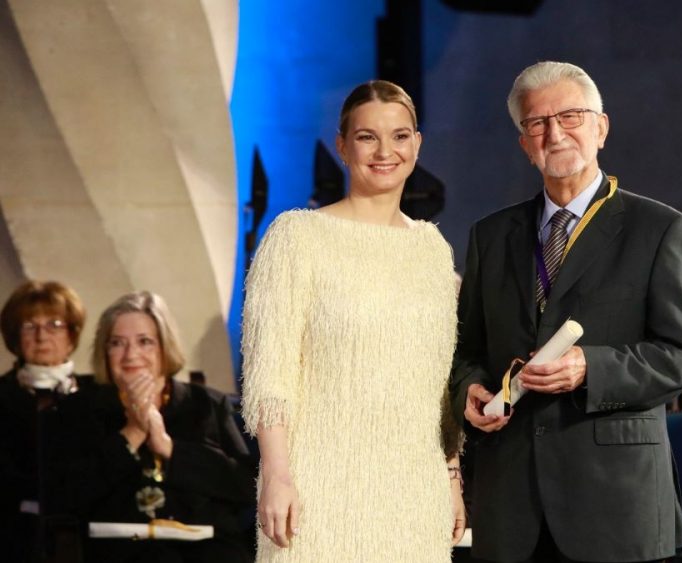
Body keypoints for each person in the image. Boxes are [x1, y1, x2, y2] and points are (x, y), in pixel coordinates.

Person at [450, 61, 682, 563]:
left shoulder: (659, 229)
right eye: (537, 123)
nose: (555, 133)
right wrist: (471, 390)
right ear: (524, 143)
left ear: (601, 128)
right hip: (511, 500)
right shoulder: (491, 235)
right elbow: (467, 349)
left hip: (615, 501)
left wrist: (593, 367)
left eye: (570, 116)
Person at [241, 80, 465, 562]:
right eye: (367, 137)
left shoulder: (432, 250)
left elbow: (438, 382)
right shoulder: (296, 237)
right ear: (343, 146)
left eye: (400, 136)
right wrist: (276, 474)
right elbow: (269, 375)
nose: (385, 151)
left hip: (414, 496)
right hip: (316, 492)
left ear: (417, 144)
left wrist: (451, 477)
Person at [73, 291, 255, 562]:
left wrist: (169, 448)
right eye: (117, 343)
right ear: (104, 351)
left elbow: (243, 487)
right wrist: (133, 432)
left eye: (145, 342)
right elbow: (69, 494)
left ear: (164, 347)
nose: (130, 354)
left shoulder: (207, 404)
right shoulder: (80, 409)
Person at [0, 280, 115, 562]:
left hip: (91, 536)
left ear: (72, 334)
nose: (42, 336)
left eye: (54, 324)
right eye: (30, 325)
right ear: (16, 336)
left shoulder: (100, 397)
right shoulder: (2, 395)